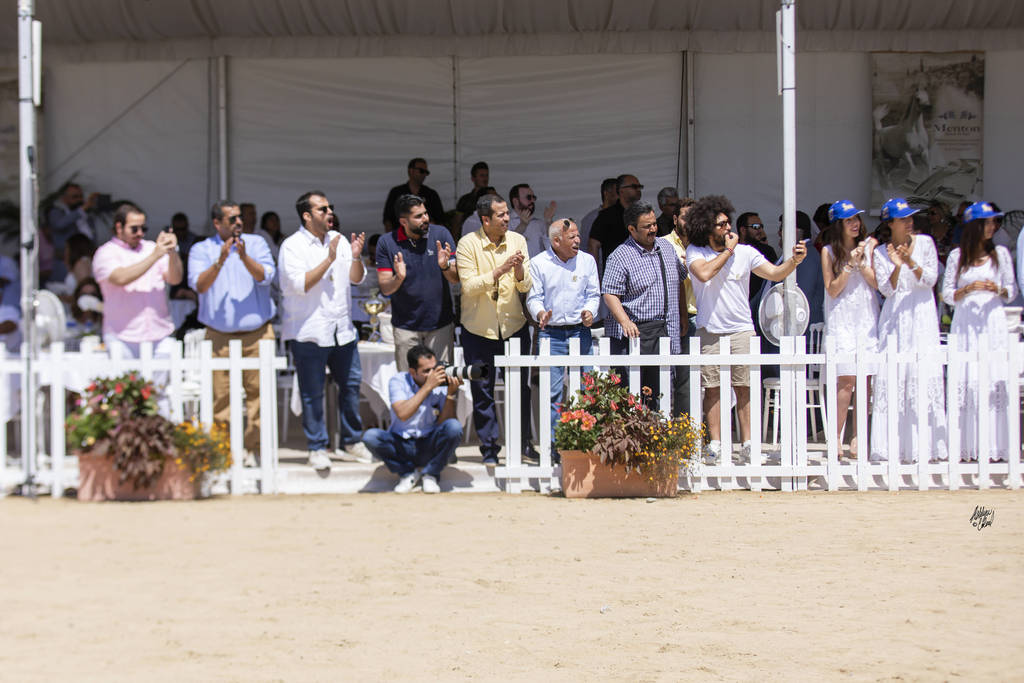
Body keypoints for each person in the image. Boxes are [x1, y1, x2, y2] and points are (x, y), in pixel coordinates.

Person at [685, 195, 806, 461]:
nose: (727, 229)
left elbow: (774, 274)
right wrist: (728, 252)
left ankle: (749, 443)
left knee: (745, 387)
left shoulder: (746, 252)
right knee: (713, 388)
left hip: (741, 328)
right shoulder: (697, 251)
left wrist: (794, 262)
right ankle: (715, 444)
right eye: (721, 224)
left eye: (728, 223)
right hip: (710, 329)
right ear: (706, 227)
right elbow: (703, 275)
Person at [279, 190, 372, 471]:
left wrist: (354, 257)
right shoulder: (292, 246)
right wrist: (329, 259)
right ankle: (317, 446)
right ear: (307, 216)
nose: (329, 213)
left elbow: (357, 279)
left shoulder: (340, 240)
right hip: (309, 329)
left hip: (342, 328)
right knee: (312, 392)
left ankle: (351, 441)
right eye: (322, 209)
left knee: (351, 387)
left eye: (330, 208)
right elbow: (299, 284)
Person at [188, 200, 277, 461]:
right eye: (232, 219)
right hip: (218, 335)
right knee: (220, 398)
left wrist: (243, 256)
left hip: (257, 333)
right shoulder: (201, 249)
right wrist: (221, 259)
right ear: (217, 223)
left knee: (259, 397)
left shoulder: (257, 243)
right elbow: (200, 286)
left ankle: (255, 450)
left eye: (239, 218)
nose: (238, 222)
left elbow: (265, 276)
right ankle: (222, 453)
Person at [455, 193, 536, 465]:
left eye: (507, 214)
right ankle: (489, 449)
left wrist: (520, 273)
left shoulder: (518, 240)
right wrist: (501, 270)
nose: (507, 219)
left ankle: (523, 444)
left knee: (520, 389)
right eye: (501, 215)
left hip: (514, 326)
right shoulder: (467, 244)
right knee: (483, 390)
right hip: (479, 331)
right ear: (485, 219)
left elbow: (525, 286)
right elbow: (468, 286)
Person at [869, 197, 947, 463]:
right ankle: (892, 445)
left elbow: (930, 280)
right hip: (895, 317)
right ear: (890, 223)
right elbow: (886, 289)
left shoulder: (925, 243)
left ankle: (926, 446)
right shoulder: (880, 252)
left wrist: (910, 261)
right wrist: (897, 265)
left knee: (922, 374)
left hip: (922, 315)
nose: (909, 221)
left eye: (910, 217)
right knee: (895, 377)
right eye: (903, 218)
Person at [941, 201, 1017, 462]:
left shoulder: (1002, 254)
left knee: (993, 379)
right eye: (988, 222)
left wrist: (996, 289)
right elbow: (947, 294)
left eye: (995, 222)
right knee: (968, 380)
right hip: (966, 322)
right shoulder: (957, 256)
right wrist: (968, 289)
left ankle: (996, 446)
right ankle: (966, 445)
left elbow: (1012, 291)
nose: (993, 227)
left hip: (992, 320)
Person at [92, 203, 183, 415]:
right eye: (134, 229)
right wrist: (154, 256)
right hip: (123, 336)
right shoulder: (106, 253)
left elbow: (175, 278)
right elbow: (121, 278)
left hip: (159, 334)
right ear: (119, 227)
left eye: (144, 228)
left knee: (160, 395)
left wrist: (171, 253)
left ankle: (162, 443)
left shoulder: (153, 248)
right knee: (125, 398)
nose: (140, 233)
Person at [602, 201, 688, 410]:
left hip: (666, 327)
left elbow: (679, 280)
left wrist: (683, 315)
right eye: (646, 226)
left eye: (654, 224)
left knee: (660, 389)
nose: (653, 229)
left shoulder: (666, 248)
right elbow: (610, 293)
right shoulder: (620, 255)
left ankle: (658, 434)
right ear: (631, 229)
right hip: (637, 331)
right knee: (633, 391)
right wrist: (625, 321)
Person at [526, 218, 600, 449]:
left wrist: (590, 311)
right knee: (553, 392)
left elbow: (593, 294)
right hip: (551, 334)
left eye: (578, 236)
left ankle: (586, 442)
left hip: (580, 332)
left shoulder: (587, 261)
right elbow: (533, 297)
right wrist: (540, 314)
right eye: (572, 237)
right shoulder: (538, 263)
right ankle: (555, 446)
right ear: (556, 241)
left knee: (587, 389)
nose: (578, 240)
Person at [820, 200, 880, 459]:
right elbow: (832, 289)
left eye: (857, 218)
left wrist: (862, 260)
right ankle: (835, 437)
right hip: (841, 317)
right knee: (845, 381)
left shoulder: (868, 247)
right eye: (849, 220)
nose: (855, 224)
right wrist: (848, 265)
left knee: (865, 380)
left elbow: (877, 283)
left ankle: (858, 437)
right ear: (838, 225)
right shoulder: (828, 252)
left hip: (865, 316)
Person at [362, 345, 464, 493]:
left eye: (434, 369)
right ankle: (407, 473)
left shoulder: (440, 384)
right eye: (426, 371)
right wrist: (427, 388)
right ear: (412, 372)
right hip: (401, 444)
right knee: (370, 437)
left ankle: (431, 474)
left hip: (429, 444)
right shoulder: (398, 381)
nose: (432, 374)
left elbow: (446, 425)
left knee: (454, 427)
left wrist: (450, 395)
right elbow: (403, 413)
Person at [376, 194, 459, 370]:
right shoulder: (386, 243)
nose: (425, 219)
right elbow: (385, 288)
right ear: (403, 222)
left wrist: (445, 266)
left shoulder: (441, 234)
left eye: (425, 213)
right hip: (406, 326)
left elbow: (455, 278)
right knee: (408, 384)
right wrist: (398, 277)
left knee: (442, 382)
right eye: (418, 216)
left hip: (440, 324)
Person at [589, 174, 643, 272]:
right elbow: (593, 244)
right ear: (621, 190)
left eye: (640, 187)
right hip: (616, 273)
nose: (638, 190)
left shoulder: (643, 214)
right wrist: (595, 276)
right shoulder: (606, 215)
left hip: (641, 272)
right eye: (634, 187)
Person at [382, 158, 445, 232]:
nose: (424, 175)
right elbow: (387, 219)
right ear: (411, 171)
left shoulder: (431, 194)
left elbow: (440, 220)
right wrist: (390, 240)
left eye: (426, 172)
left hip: (425, 238)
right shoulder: (397, 193)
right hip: (400, 237)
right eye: (421, 171)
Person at [736, 212, 778, 300]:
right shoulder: (731, 251)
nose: (760, 230)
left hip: (760, 303)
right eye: (756, 227)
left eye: (761, 227)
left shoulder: (767, 251)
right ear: (743, 230)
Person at [508, 183, 556, 258]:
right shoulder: (506, 221)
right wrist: (523, 225)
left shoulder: (539, 223)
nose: (532, 201)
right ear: (515, 201)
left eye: (534, 197)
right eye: (529, 197)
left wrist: (548, 221)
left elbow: (553, 249)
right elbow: (506, 245)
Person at [453, 161, 490, 238]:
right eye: (482, 176)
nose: (485, 179)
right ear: (473, 178)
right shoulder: (465, 200)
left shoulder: (493, 197)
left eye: (487, 175)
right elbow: (457, 224)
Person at [579, 178, 618, 251]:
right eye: (618, 192)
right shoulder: (591, 219)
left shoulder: (624, 216)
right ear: (607, 193)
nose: (622, 196)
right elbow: (583, 248)